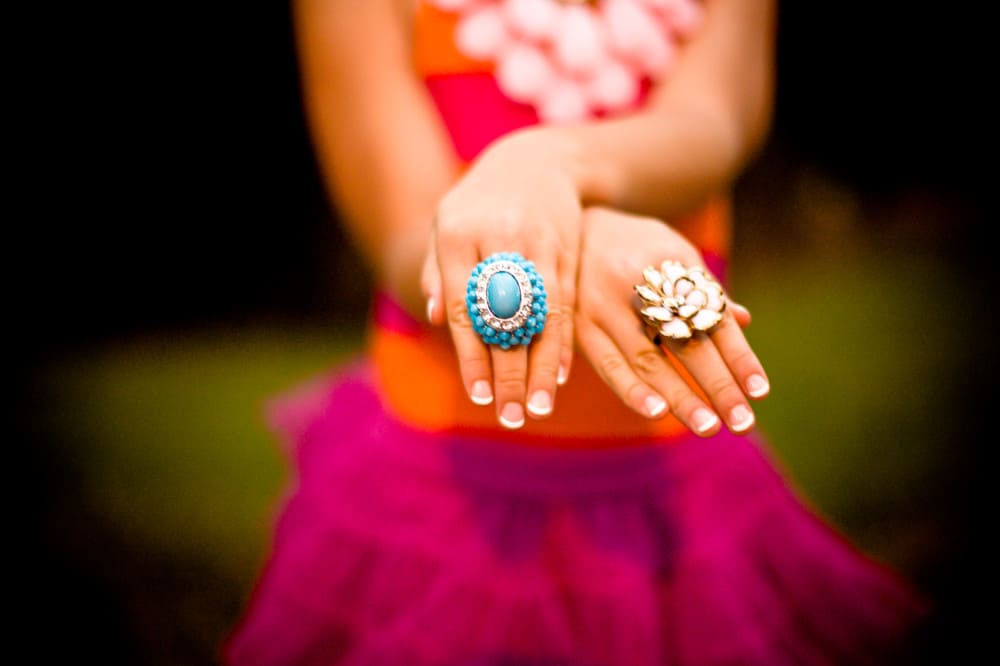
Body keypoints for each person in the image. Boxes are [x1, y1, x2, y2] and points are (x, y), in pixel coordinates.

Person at [224, 0, 928, 663]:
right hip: (438, 487)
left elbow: (716, 120)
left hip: (678, 485)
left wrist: (542, 165)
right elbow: (405, 237)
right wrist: (572, 252)